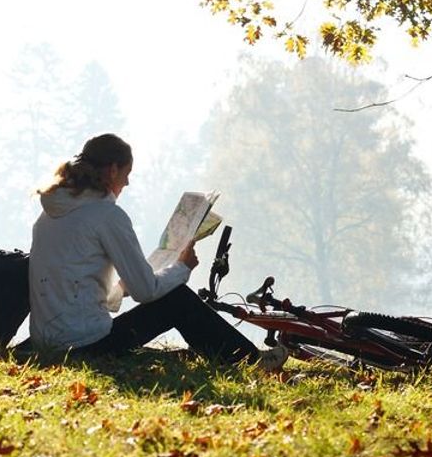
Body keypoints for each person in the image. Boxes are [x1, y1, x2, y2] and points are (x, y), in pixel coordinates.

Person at [27, 133, 287, 370]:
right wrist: (182, 267)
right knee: (178, 300)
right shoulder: (107, 215)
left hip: (48, 342)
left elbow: (72, 286)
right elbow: (147, 291)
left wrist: (120, 290)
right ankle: (250, 362)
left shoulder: (49, 214)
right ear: (113, 170)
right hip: (86, 346)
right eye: (126, 174)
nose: (127, 182)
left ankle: (239, 358)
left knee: (169, 295)